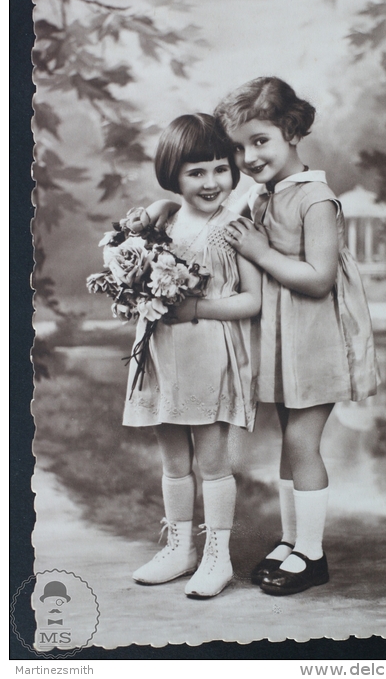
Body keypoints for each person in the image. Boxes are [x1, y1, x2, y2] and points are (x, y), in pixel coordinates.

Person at [214, 77, 379, 596]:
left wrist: (261, 253)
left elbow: (320, 277)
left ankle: (313, 554)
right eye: (238, 148)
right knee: (291, 442)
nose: (248, 156)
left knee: (302, 442)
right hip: (287, 345)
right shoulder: (264, 197)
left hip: (318, 342)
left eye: (260, 140)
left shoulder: (315, 198)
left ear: (290, 131)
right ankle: (292, 541)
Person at [123, 114, 261, 599]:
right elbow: (136, 267)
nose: (211, 182)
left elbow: (252, 300)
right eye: (195, 172)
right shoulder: (162, 220)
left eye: (220, 169)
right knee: (173, 458)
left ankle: (216, 557)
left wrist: (197, 306)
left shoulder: (234, 228)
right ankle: (180, 548)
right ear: (173, 175)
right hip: (161, 349)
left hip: (208, 350)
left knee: (212, 458)